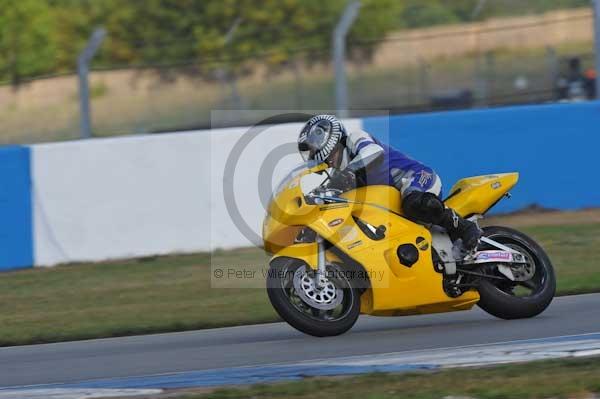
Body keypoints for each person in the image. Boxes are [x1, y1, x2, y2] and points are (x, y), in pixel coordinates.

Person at [297, 114, 481, 250]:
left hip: (416, 177)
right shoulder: (338, 175)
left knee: (414, 203)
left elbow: (374, 152)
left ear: (327, 136)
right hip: (392, 204)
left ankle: (466, 227)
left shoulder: (355, 138)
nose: (313, 152)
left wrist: (347, 173)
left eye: (313, 146)